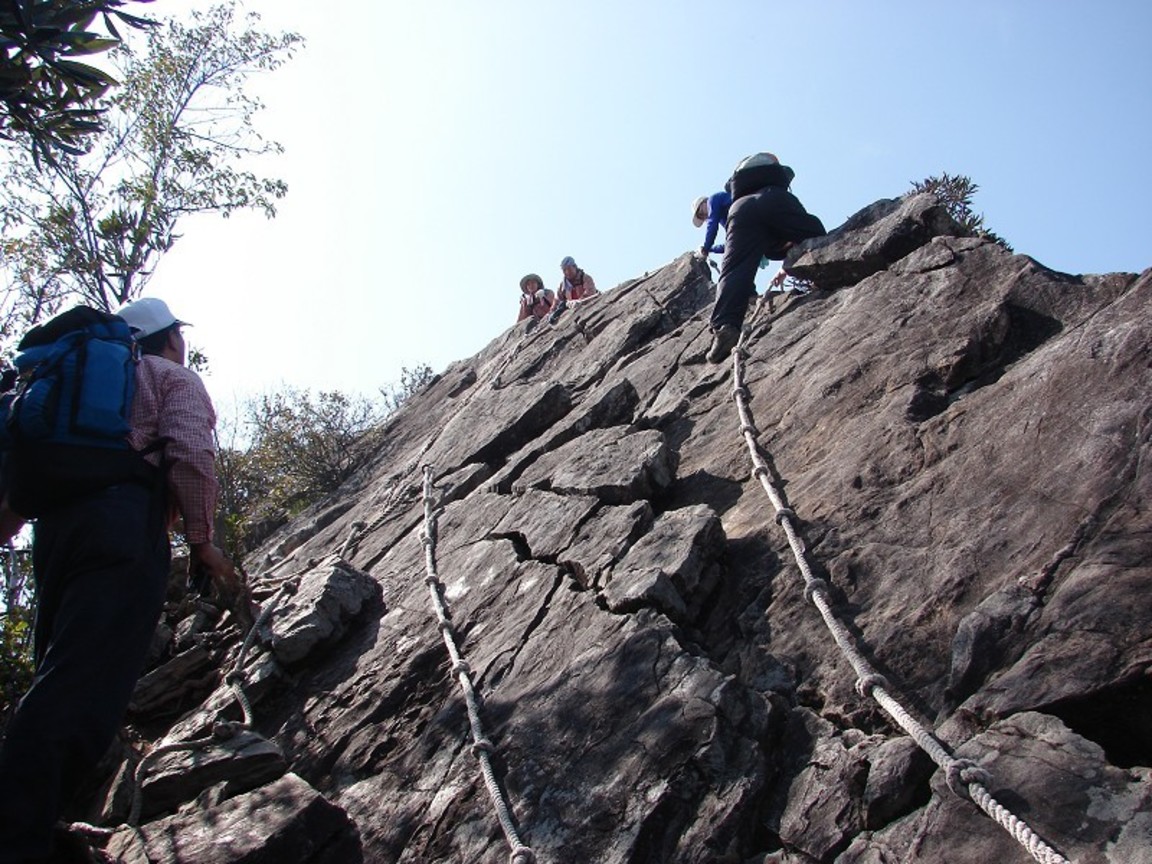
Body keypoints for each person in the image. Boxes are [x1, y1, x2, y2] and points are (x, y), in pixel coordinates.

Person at [0, 297, 240, 863]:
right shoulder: (167, 376)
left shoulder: (63, 387)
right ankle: (17, 841)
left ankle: (40, 825)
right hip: (124, 525)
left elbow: (18, 474)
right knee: (82, 687)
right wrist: (202, 543)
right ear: (169, 338)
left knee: (59, 672)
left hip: (57, 534)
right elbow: (189, 453)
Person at [707, 152, 825, 363]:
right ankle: (826, 272)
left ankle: (725, 326)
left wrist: (783, 266)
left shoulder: (738, 193)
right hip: (775, 198)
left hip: (740, 209)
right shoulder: (776, 183)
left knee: (734, 268)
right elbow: (805, 232)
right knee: (814, 232)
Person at [692, 189, 732, 258]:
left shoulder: (712, 200)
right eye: (702, 217)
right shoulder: (723, 219)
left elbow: (712, 225)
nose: (705, 215)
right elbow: (731, 242)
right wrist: (711, 249)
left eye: (701, 212)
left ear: (704, 202)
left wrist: (706, 248)